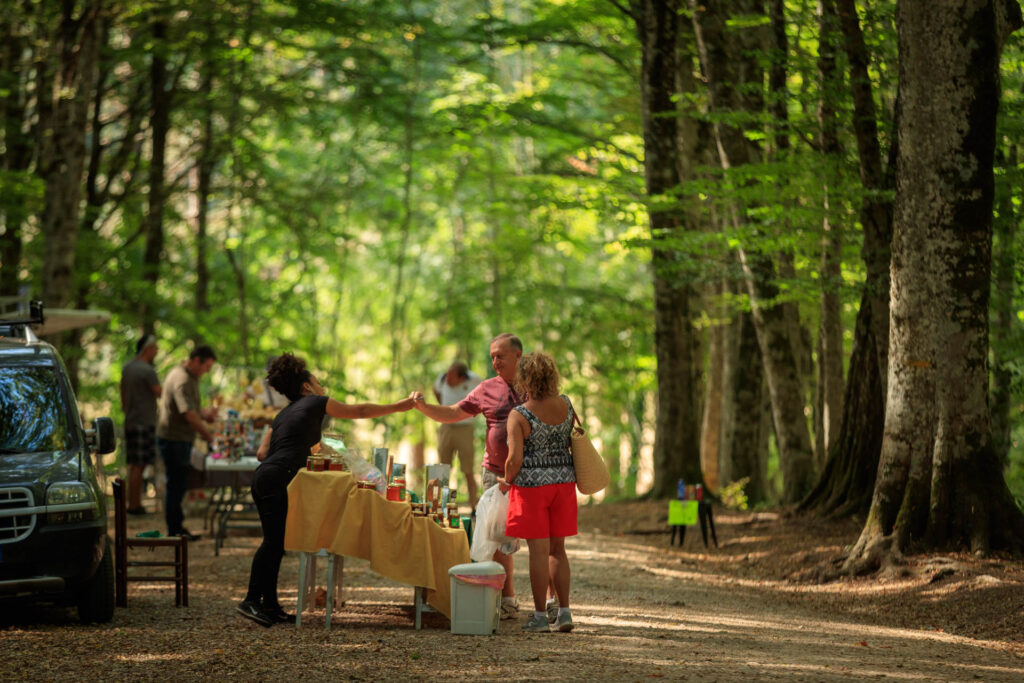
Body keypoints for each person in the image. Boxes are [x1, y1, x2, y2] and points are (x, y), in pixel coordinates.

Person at [237, 353, 416, 627]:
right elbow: (361, 412)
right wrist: (400, 406)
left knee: (275, 542)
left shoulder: (283, 414)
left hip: (264, 476)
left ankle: (270, 605)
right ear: (307, 386)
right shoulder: (315, 403)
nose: (322, 387)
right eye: (318, 382)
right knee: (272, 543)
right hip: (277, 478)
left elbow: (262, 453)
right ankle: (250, 600)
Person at [412, 333, 525, 620]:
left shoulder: (534, 386)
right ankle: (507, 599)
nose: (495, 361)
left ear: (518, 356)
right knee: (500, 535)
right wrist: (424, 408)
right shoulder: (487, 388)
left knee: (540, 537)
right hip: (495, 473)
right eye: (492, 357)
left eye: (501, 355)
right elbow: (453, 413)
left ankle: (547, 604)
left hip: (531, 473)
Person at [503, 351, 578, 633]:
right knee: (558, 550)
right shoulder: (567, 405)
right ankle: (565, 611)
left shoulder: (519, 415)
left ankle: (538, 616)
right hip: (564, 485)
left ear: (524, 379)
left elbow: (514, 460)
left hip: (532, 489)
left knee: (538, 551)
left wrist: (506, 478)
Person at [156, 344, 218, 541]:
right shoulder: (182, 379)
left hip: (180, 439)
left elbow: (191, 411)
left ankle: (177, 526)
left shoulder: (188, 376)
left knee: (179, 483)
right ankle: (175, 530)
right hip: (174, 439)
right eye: (206, 367)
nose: (206, 372)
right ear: (196, 360)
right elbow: (188, 414)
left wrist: (205, 414)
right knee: (176, 484)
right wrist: (210, 438)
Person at [119, 334, 162, 515]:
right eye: (155, 348)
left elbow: (122, 394)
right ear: (148, 349)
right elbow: (161, 393)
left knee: (134, 465)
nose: (157, 351)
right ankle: (134, 505)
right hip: (144, 422)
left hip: (131, 420)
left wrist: (128, 411)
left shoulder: (127, 368)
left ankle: (133, 502)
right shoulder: (147, 371)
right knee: (139, 465)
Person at [432, 361, 482, 508]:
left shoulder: (474, 380)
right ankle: (439, 504)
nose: (447, 378)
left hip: (465, 429)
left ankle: (474, 505)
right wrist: (443, 408)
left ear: (461, 378)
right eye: (447, 374)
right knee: (442, 468)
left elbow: (483, 396)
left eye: (451, 376)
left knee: (468, 469)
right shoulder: (442, 379)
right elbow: (435, 390)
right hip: (446, 427)